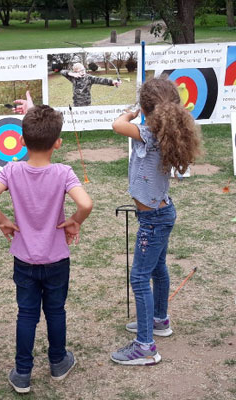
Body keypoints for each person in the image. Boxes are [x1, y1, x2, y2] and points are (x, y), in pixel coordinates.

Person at [0, 98, 93, 393]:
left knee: (26, 314)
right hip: (56, 260)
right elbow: (86, 203)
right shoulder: (64, 172)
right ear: (58, 143)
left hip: (24, 258)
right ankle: (58, 362)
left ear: (20, 140)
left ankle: (22, 373)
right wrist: (74, 221)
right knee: (56, 311)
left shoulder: (12, 170)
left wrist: (3, 221)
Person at [110, 78, 202, 366]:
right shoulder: (163, 132)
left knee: (139, 277)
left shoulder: (148, 132)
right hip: (159, 214)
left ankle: (145, 346)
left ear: (147, 109)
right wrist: (143, 111)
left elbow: (116, 124)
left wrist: (131, 113)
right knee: (157, 268)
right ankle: (159, 320)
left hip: (153, 219)